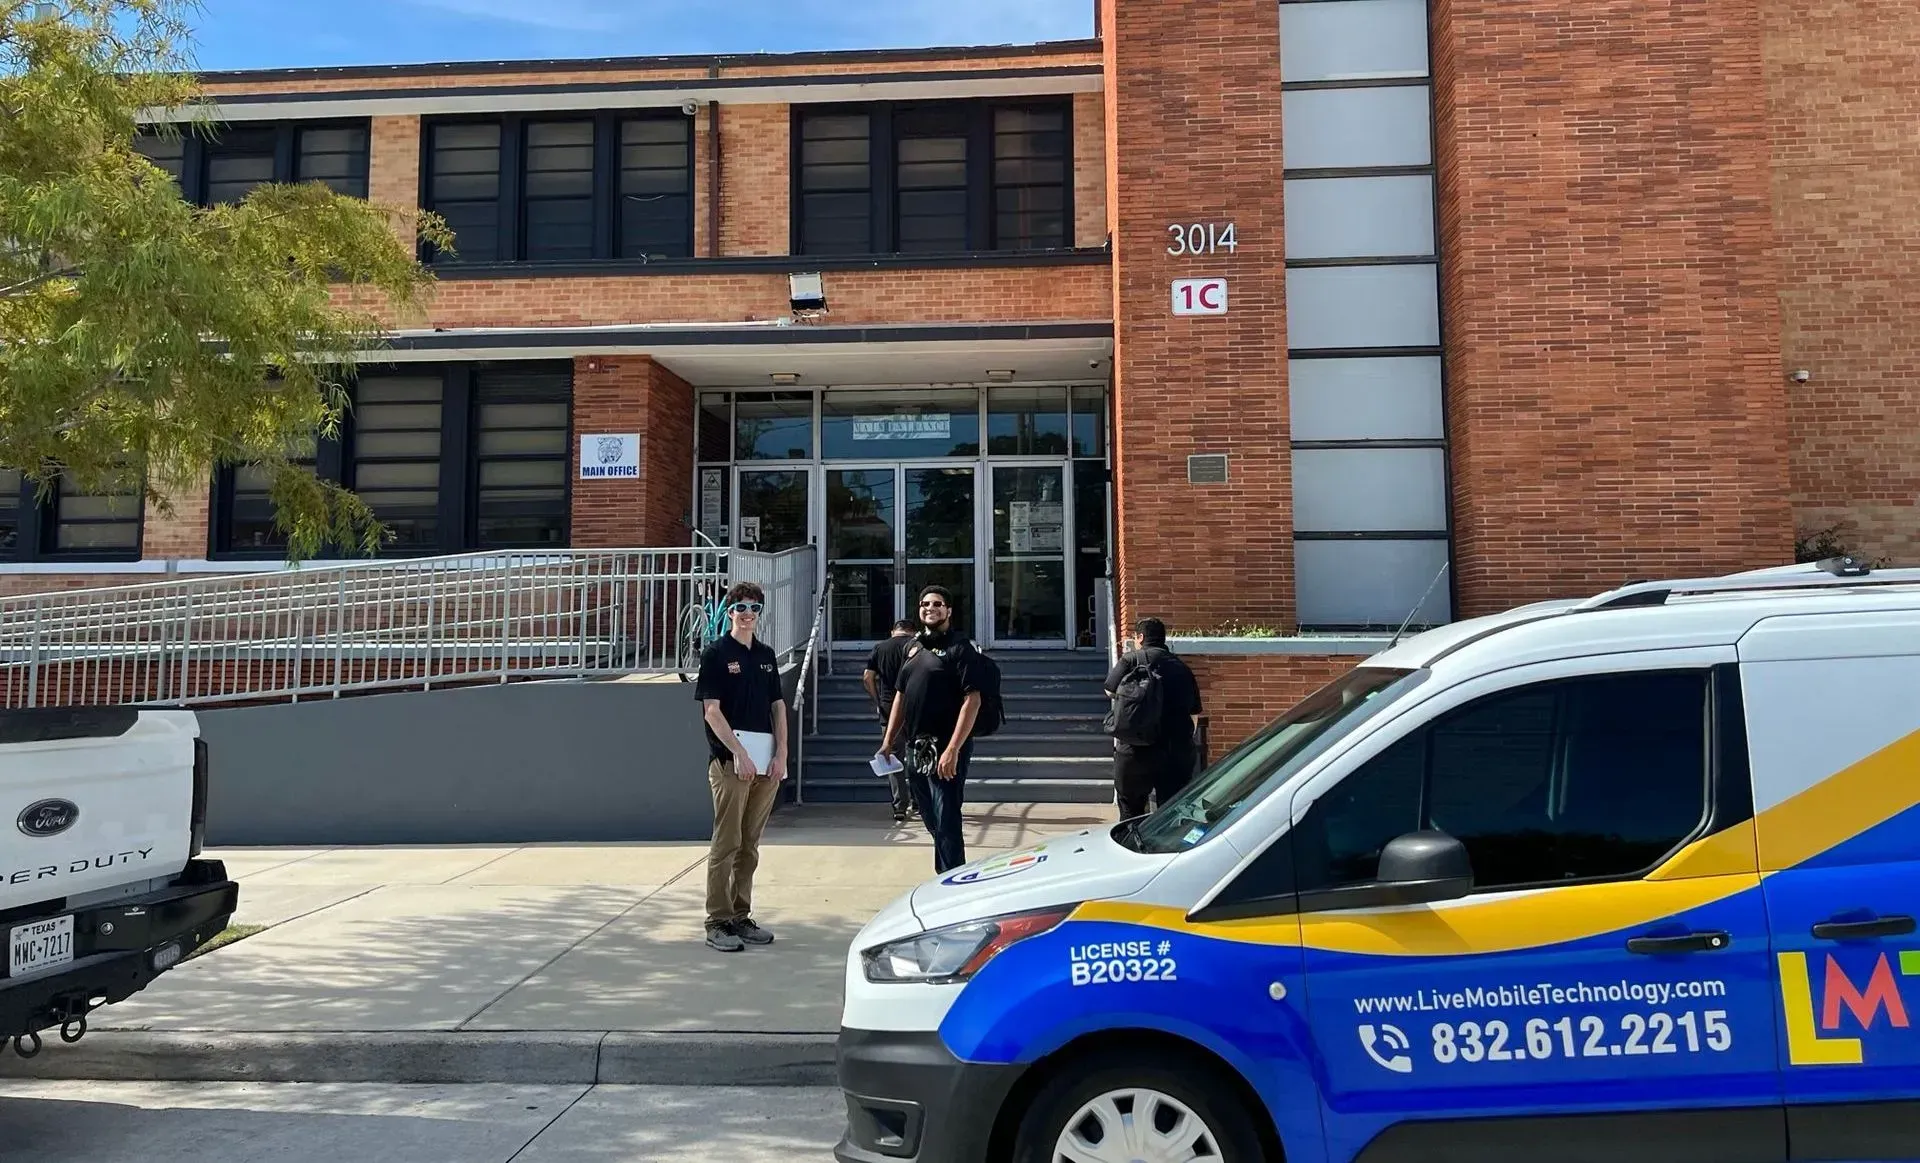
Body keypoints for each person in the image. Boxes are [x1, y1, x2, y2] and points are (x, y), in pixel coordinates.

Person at [693, 581, 787, 953]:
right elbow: (711, 711)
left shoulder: (765, 654)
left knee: (749, 844)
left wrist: (781, 754)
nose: (748, 614)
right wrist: (738, 753)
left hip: (765, 763)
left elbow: (778, 706)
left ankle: (740, 916)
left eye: (755, 609)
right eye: (741, 608)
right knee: (727, 842)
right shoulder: (716, 654)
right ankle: (717, 920)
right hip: (731, 762)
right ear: (729, 612)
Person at [879, 586, 983, 874]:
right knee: (927, 813)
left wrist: (953, 749)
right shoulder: (913, 648)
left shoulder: (960, 648)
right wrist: (889, 740)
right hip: (916, 745)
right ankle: (947, 870)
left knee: (947, 815)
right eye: (925, 604)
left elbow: (972, 700)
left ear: (948, 610)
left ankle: (952, 879)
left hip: (946, 746)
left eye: (938, 604)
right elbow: (901, 694)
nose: (930, 608)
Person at [1104, 617, 1202, 820]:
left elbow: (1109, 689)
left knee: (1131, 811)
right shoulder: (1181, 667)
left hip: (1135, 749)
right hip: (1175, 750)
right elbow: (1194, 712)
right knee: (1172, 813)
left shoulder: (1131, 660)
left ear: (1140, 637)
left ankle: (1131, 847)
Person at [863, 619, 920, 823]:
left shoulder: (880, 648)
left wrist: (877, 700)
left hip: (888, 708)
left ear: (893, 631)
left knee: (893, 756)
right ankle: (919, 800)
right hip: (915, 707)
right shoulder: (916, 646)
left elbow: (868, 677)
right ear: (913, 632)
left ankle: (899, 806)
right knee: (917, 754)